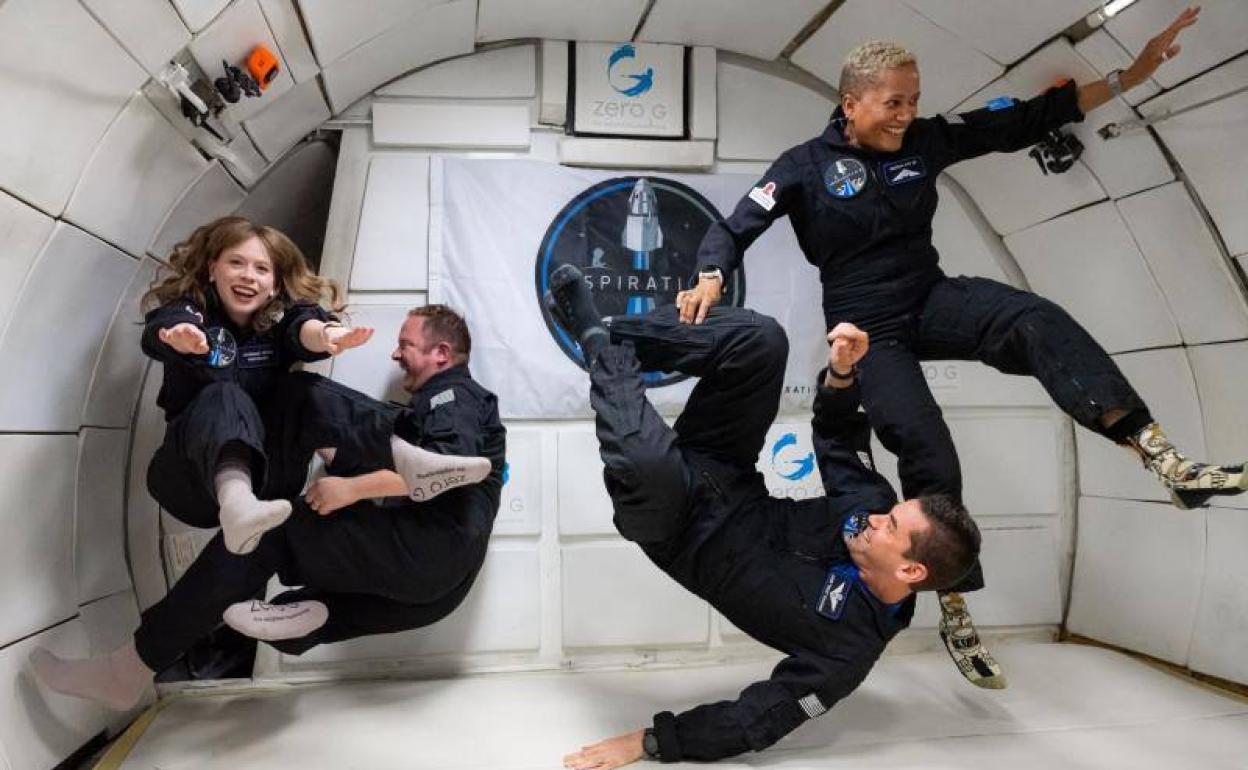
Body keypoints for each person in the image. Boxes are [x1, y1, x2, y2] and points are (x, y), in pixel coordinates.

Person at [676, 7, 1235, 688]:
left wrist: (1132, 74)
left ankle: (1162, 459)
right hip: (867, 327)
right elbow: (734, 228)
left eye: (913, 100)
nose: (906, 113)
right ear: (851, 103)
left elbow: (1023, 121)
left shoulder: (925, 142)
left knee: (1034, 318)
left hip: (931, 297)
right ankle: (956, 602)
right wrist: (709, 275)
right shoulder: (802, 167)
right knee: (926, 447)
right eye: (892, 102)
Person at [547, 266, 980, 768]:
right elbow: (839, 440)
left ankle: (598, 342)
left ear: (910, 570)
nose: (878, 519)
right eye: (890, 513)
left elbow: (755, 719)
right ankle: (610, 332)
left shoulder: (845, 652)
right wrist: (842, 375)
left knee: (646, 462)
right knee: (763, 340)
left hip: (675, 526)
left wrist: (650, 742)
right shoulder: (872, 511)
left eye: (892, 528)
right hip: (725, 471)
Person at [31, 304, 503, 711]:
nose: (396, 353)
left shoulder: (453, 394)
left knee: (270, 530)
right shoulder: (439, 410)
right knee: (309, 606)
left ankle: (129, 667)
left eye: (406, 344)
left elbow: (446, 469)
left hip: (433, 547)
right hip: (439, 587)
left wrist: (352, 488)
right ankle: (299, 617)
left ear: (442, 354)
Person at [139, 216, 373, 554]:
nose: (248, 275)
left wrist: (328, 334)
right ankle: (237, 501)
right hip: (194, 481)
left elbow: (303, 325)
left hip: (271, 481)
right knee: (224, 395)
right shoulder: (192, 313)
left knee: (300, 387)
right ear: (212, 269)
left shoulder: (279, 320)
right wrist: (178, 338)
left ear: (275, 285)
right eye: (236, 263)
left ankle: (404, 449)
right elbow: (166, 326)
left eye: (262, 269)